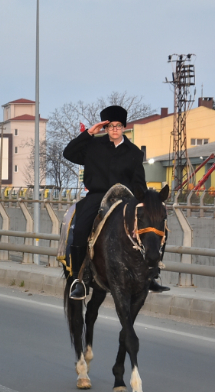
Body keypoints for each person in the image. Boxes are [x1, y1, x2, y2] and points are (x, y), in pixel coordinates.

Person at [63, 105, 169, 300]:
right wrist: (88, 133)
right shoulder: (93, 146)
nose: (114, 129)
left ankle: (151, 274)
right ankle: (80, 278)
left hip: (126, 198)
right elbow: (68, 153)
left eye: (118, 125)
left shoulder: (134, 152)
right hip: (97, 196)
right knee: (80, 229)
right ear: (105, 128)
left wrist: (143, 200)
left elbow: (139, 182)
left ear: (124, 127)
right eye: (110, 126)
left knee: (156, 227)